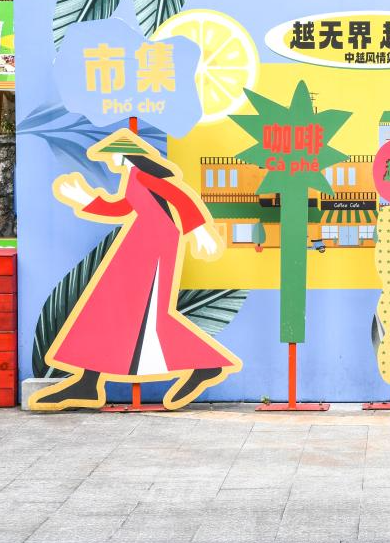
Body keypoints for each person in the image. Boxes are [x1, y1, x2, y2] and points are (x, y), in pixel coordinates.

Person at [29, 129, 242, 412]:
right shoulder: (132, 178)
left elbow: (179, 197)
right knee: (104, 306)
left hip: (153, 246)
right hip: (137, 244)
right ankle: (88, 382)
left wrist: (198, 229)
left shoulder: (142, 175)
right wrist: (85, 200)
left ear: (124, 155)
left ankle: (205, 364)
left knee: (148, 314)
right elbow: (122, 207)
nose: (109, 162)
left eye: (112, 156)